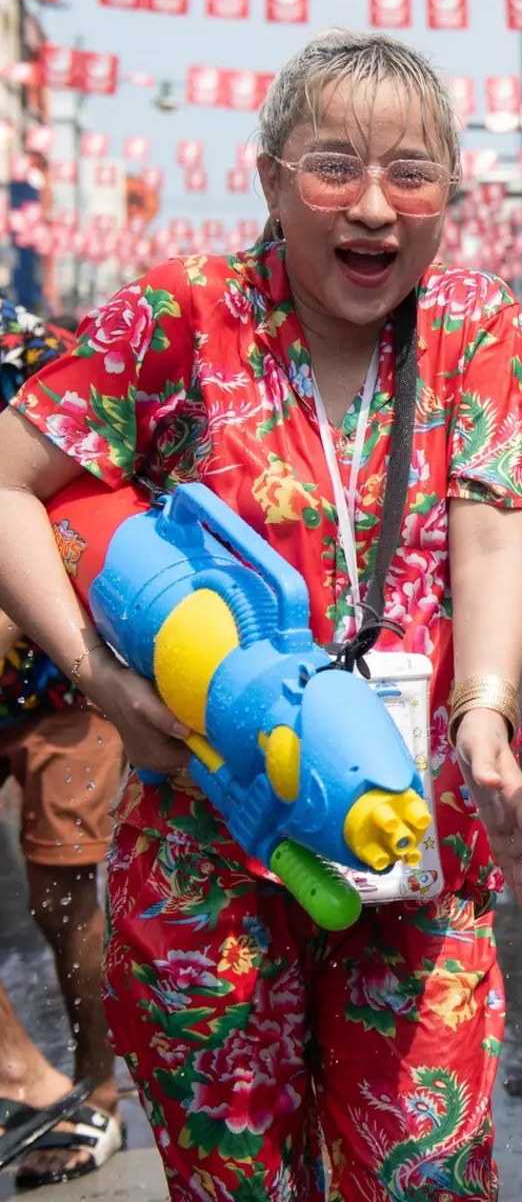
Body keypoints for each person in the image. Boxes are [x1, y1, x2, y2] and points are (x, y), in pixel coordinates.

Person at [0, 30, 522, 1201]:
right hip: (207, 839)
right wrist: (100, 683)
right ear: (270, 179)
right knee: (235, 1184)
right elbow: (9, 482)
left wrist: (486, 714)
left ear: (451, 196)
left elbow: (493, 530)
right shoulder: (183, 315)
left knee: (425, 1174)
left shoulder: (471, 325)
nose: (373, 207)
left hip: (406, 835)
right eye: (333, 168)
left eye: (412, 174)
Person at [0, 300, 122, 1186]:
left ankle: (97, 1090)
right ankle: (22, 1075)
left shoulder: (34, 349)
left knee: (63, 891)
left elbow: (97, 498)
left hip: (57, 675)